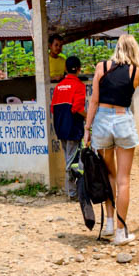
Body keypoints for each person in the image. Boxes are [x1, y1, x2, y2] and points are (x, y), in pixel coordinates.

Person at [81, 33, 139, 246]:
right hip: (123, 121)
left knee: (108, 174)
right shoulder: (136, 72)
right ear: (134, 50)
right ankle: (120, 232)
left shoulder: (102, 67)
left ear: (117, 48)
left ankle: (109, 223)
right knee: (123, 179)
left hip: (101, 121)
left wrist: (87, 129)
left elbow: (93, 101)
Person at [51, 56, 87, 199]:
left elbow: (53, 109)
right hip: (73, 128)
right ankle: (72, 193)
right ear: (79, 69)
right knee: (72, 162)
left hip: (61, 128)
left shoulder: (59, 87)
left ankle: (73, 191)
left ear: (65, 69)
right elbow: (77, 108)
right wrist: (89, 117)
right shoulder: (79, 86)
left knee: (69, 158)